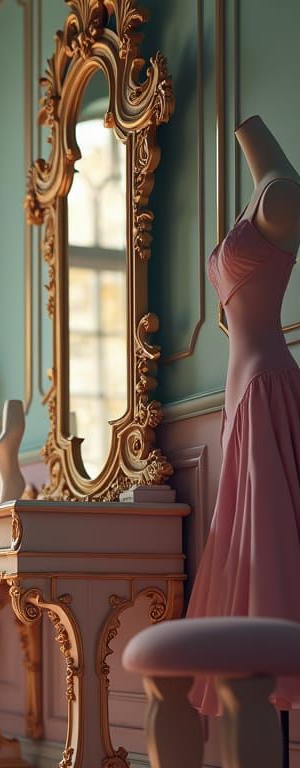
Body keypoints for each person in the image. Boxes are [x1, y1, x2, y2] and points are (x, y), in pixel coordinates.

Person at [187, 114, 300, 714]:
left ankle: (274, 671)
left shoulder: (281, 194)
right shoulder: (264, 196)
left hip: (263, 384)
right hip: (243, 391)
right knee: (247, 536)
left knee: (271, 538)